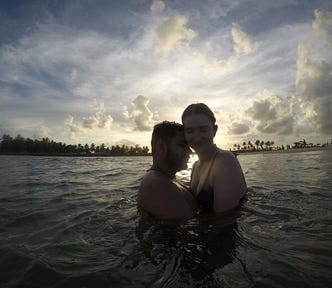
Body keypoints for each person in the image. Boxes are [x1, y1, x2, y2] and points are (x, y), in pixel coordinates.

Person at [181, 103, 247, 214]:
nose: (197, 138)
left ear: (214, 130)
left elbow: (225, 220)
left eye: (203, 130)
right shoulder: (196, 166)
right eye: (189, 131)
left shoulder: (225, 161)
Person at [138, 121, 196, 220]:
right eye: (182, 145)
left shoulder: (166, 178)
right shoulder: (157, 184)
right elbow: (190, 230)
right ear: (161, 147)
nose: (190, 152)